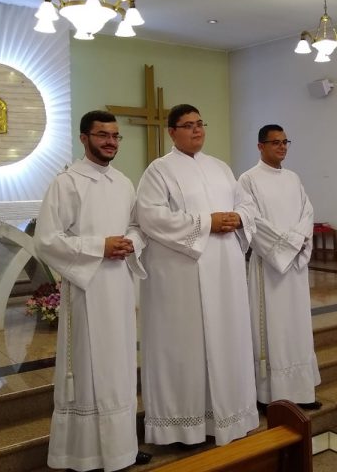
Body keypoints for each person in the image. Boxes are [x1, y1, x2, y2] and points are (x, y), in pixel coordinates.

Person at [136, 103, 260, 447]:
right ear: (172, 132)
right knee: (186, 346)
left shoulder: (220, 167)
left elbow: (246, 204)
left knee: (227, 338)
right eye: (188, 125)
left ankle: (232, 415)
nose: (197, 130)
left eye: (200, 124)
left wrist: (238, 218)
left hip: (225, 272)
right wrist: (207, 223)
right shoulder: (159, 170)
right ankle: (184, 427)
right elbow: (151, 217)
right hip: (183, 275)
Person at [34, 110, 151, 472]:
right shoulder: (67, 183)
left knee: (119, 367)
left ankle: (122, 449)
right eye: (102, 135)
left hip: (119, 286)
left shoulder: (123, 182)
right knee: (89, 368)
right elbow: (46, 240)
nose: (110, 142)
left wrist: (131, 242)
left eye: (115, 136)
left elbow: (137, 226)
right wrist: (100, 246)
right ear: (84, 138)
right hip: (87, 289)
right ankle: (84, 454)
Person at [238, 124, 321, 411]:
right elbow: (252, 220)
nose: (282, 147)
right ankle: (269, 395)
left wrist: (296, 241)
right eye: (275, 142)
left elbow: (307, 212)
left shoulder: (293, 178)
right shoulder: (248, 179)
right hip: (269, 266)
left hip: (294, 266)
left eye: (285, 142)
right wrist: (287, 245)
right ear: (260, 146)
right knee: (271, 328)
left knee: (297, 326)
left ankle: (301, 390)